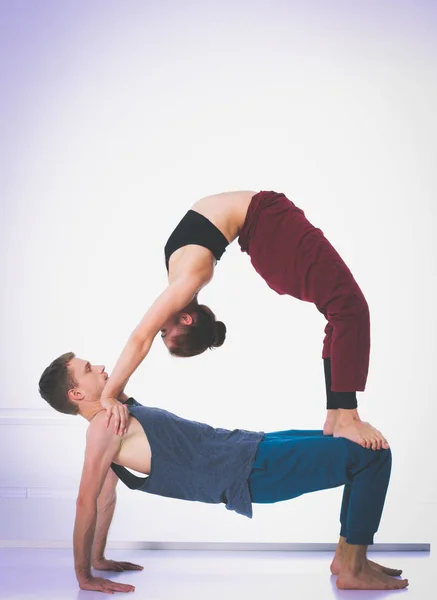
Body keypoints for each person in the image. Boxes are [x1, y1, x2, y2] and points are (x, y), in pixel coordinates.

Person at [37, 353, 408, 593]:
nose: (101, 367)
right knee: (372, 455)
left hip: (254, 447)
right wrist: (83, 575)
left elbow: (105, 496)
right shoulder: (102, 428)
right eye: (88, 370)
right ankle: (353, 567)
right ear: (76, 394)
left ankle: (348, 556)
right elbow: (87, 500)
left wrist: (98, 557)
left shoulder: (113, 416)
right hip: (251, 469)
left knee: (348, 438)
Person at [98, 190, 388, 451]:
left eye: (162, 332)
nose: (157, 325)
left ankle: (337, 415)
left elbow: (142, 337)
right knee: (349, 308)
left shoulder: (180, 279)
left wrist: (117, 391)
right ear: (186, 319)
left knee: (340, 311)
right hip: (268, 226)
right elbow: (140, 338)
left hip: (267, 227)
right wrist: (109, 395)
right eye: (164, 330)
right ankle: (346, 416)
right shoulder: (189, 280)